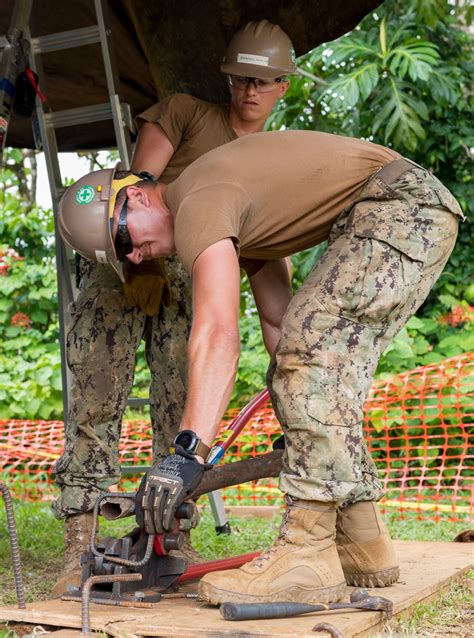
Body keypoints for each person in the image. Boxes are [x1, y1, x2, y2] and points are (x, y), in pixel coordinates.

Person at [58, 129, 463, 604]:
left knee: (308, 358)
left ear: (137, 194)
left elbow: (216, 335)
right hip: (405, 208)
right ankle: (362, 539)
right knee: (308, 359)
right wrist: (300, 416)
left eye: (123, 238)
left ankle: (307, 555)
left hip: (399, 209)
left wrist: (185, 456)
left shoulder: (197, 203)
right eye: (122, 257)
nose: (134, 256)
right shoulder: (229, 209)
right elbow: (278, 318)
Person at [51, 20, 296, 597]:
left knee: (182, 399)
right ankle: (81, 537)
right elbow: (138, 183)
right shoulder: (186, 111)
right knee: (96, 385)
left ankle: (167, 540)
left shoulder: (268, 154)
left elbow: (265, 260)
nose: (249, 92)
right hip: (134, 253)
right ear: (226, 78)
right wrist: (142, 262)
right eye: (239, 79)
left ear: (283, 86)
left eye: (262, 83)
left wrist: (284, 356)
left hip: (198, 275)